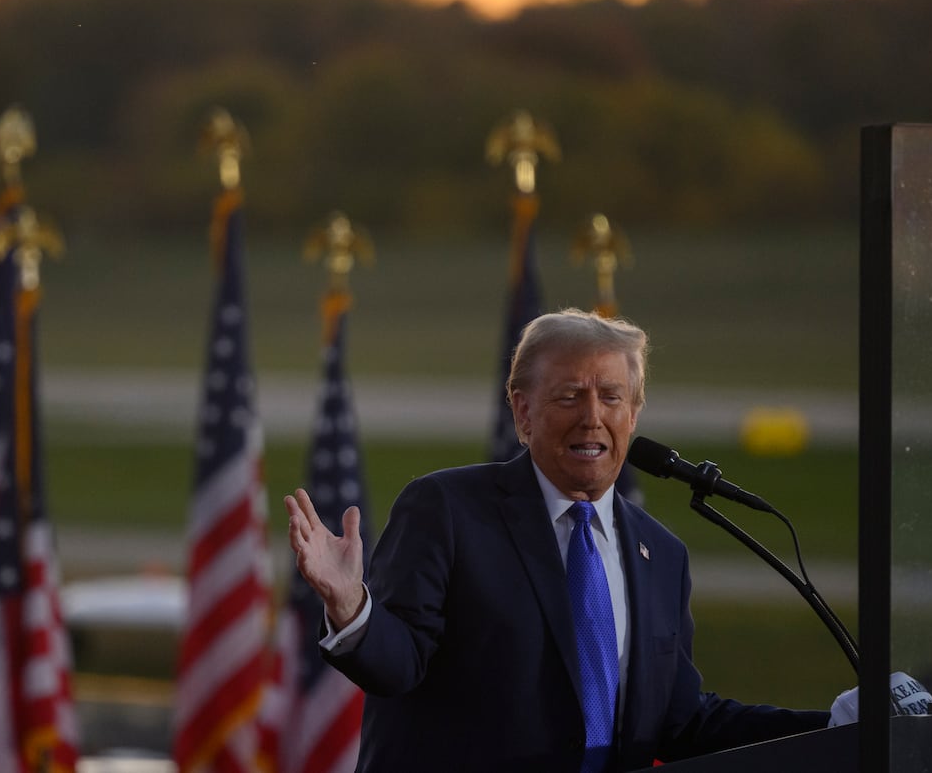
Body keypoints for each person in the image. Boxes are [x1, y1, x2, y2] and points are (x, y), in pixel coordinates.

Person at [285, 308, 829, 772]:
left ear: (634, 414)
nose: (592, 417)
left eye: (611, 397)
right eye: (569, 396)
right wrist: (352, 606)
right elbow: (397, 665)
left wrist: (838, 726)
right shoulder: (447, 510)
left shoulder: (662, 554)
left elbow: (680, 720)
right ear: (522, 412)